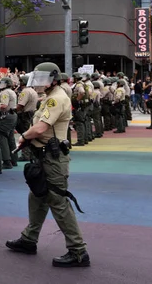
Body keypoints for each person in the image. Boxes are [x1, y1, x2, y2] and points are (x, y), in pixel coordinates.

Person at [5, 62, 90, 268]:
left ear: (54, 79)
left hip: (52, 160)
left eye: (43, 79)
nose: (39, 83)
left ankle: (78, 251)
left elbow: (40, 128)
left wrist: (24, 137)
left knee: (59, 203)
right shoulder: (51, 97)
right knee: (37, 198)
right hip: (44, 157)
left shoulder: (56, 99)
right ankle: (29, 239)